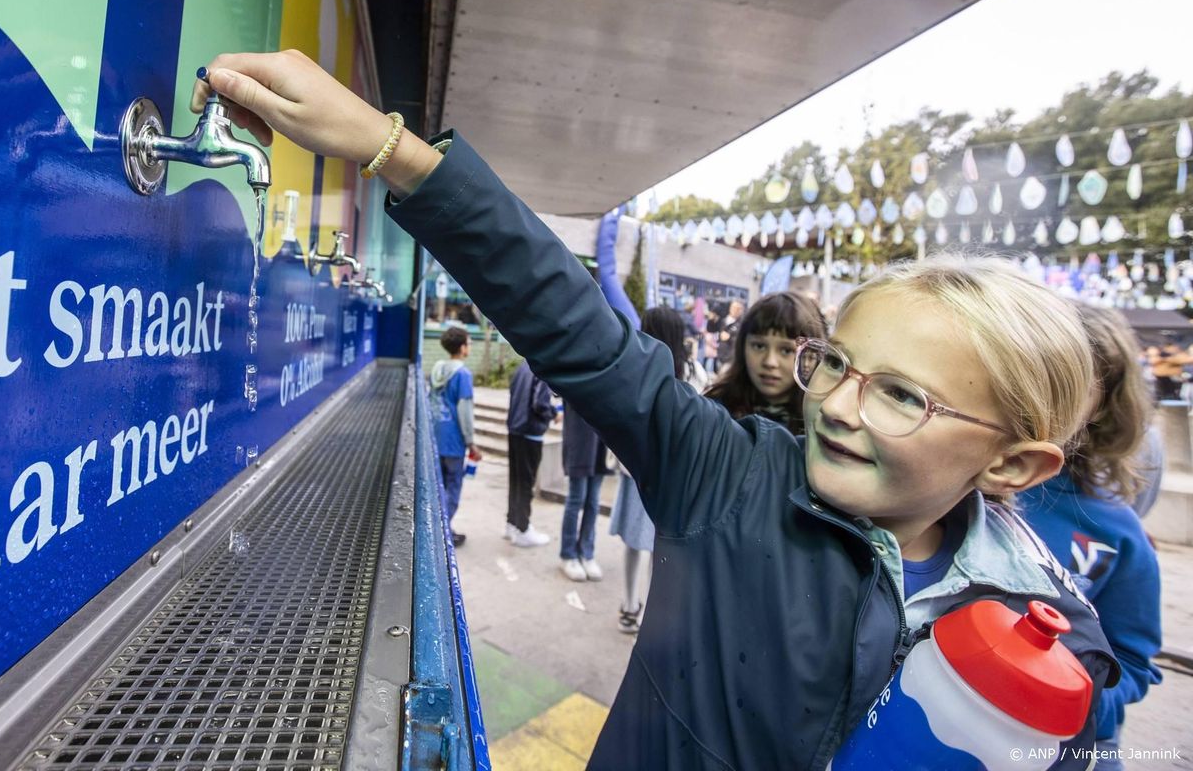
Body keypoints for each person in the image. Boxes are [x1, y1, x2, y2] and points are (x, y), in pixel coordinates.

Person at [193, 52, 1118, 770]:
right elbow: (581, 332)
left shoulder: (1052, 641)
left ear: (1014, 463)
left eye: (904, 396)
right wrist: (387, 147)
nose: (838, 405)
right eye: (837, 364)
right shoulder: (734, 476)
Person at [1019, 305, 1163, 770]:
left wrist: (1074, 705)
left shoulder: (1116, 532)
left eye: (1073, 378)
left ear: (1102, 403)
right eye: (1037, 368)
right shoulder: (955, 486)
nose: (1046, 391)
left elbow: (1132, 663)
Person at [609, 306, 697, 633]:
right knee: (660, 547)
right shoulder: (692, 375)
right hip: (673, 475)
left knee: (635, 543)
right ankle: (648, 615)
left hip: (636, 470)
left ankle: (630, 606)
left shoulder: (635, 368)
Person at [703, 291, 827, 434]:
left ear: (811, 356)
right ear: (742, 347)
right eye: (759, 346)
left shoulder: (824, 424)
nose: (770, 362)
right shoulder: (713, 413)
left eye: (786, 350)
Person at [429, 326, 480, 547]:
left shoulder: (437, 369)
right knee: (453, 487)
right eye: (469, 343)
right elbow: (464, 410)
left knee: (437, 488)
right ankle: (442, 533)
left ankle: (437, 528)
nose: (470, 347)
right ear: (462, 348)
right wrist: (471, 441)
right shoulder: (463, 374)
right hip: (454, 441)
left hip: (435, 436)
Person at [505, 360, 556, 547]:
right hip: (530, 433)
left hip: (515, 430)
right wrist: (553, 414)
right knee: (526, 483)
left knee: (515, 481)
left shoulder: (522, 367)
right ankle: (523, 529)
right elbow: (540, 403)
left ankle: (512, 523)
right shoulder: (541, 368)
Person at [559, 400, 610, 581]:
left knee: (593, 501)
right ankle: (568, 554)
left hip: (602, 441)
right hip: (579, 439)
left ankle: (586, 553)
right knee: (576, 499)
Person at [716, 299, 744, 366]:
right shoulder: (724, 320)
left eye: (738, 308)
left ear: (741, 310)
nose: (735, 310)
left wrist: (729, 338)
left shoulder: (743, 324)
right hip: (721, 355)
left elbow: (742, 341)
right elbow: (719, 335)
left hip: (732, 359)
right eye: (733, 307)